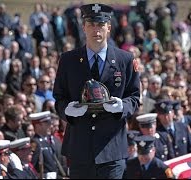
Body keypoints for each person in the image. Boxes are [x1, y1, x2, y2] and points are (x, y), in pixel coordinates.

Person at [53, 3, 140, 179]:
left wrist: (122, 106)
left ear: (108, 28)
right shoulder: (68, 60)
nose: (96, 30)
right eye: (91, 24)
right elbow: (59, 97)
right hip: (80, 148)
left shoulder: (125, 60)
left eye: (100, 25)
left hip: (111, 148)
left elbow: (135, 98)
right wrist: (67, 110)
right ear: (83, 27)